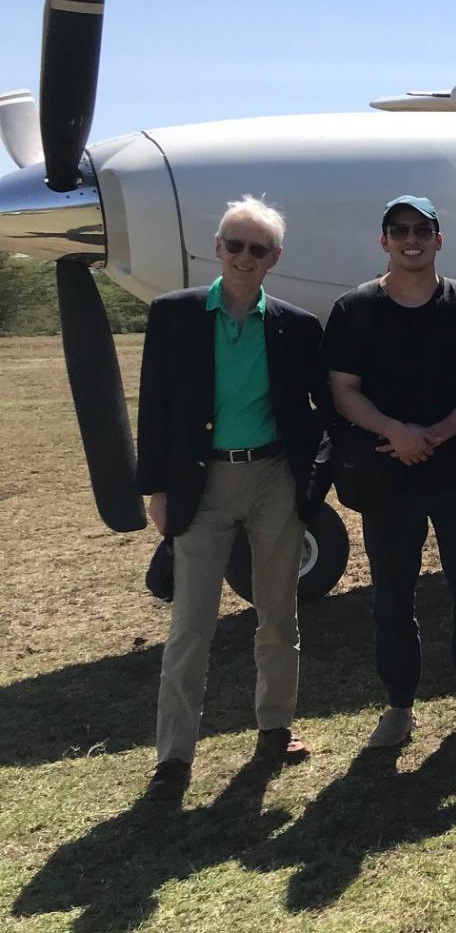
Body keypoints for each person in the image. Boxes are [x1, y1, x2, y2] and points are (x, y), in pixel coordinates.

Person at [136, 196, 329, 794]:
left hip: (274, 480)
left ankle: (276, 727)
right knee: (191, 624)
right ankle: (174, 757)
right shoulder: (174, 315)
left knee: (278, 615)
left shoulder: (297, 325)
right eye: (235, 245)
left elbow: (316, 411)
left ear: (275, 257)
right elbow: (155, 408)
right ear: (217, 248)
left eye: (259, 248)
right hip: (204, 484)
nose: (246, 257)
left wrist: (313, 481)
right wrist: (157, 490)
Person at [326, 195, 456, 747]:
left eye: (422, 230)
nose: (412, 239)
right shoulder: (354, 309)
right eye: (399, 230)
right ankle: (399, 709)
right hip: (388, 478)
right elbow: (342, 390)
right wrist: (394, 432)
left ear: (439, 239)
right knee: (391, 595)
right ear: (383, 240)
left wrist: (437, 435)